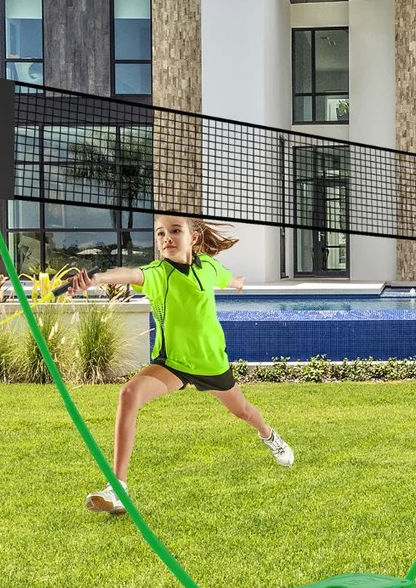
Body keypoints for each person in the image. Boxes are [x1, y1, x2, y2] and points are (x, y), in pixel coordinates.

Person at [69, 214, 294, 515]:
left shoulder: (209, 268)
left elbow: (227, 278)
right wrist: (96, 279)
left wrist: (237, 282)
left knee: (243, 411)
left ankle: (269, 435)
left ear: (193, 238)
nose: (166, 238)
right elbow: (132, 274)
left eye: (175, 231)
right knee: (128, 395)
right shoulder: (159, 274)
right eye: (160, 233)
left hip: (211, 362)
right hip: (173, 363)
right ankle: (118, 488)